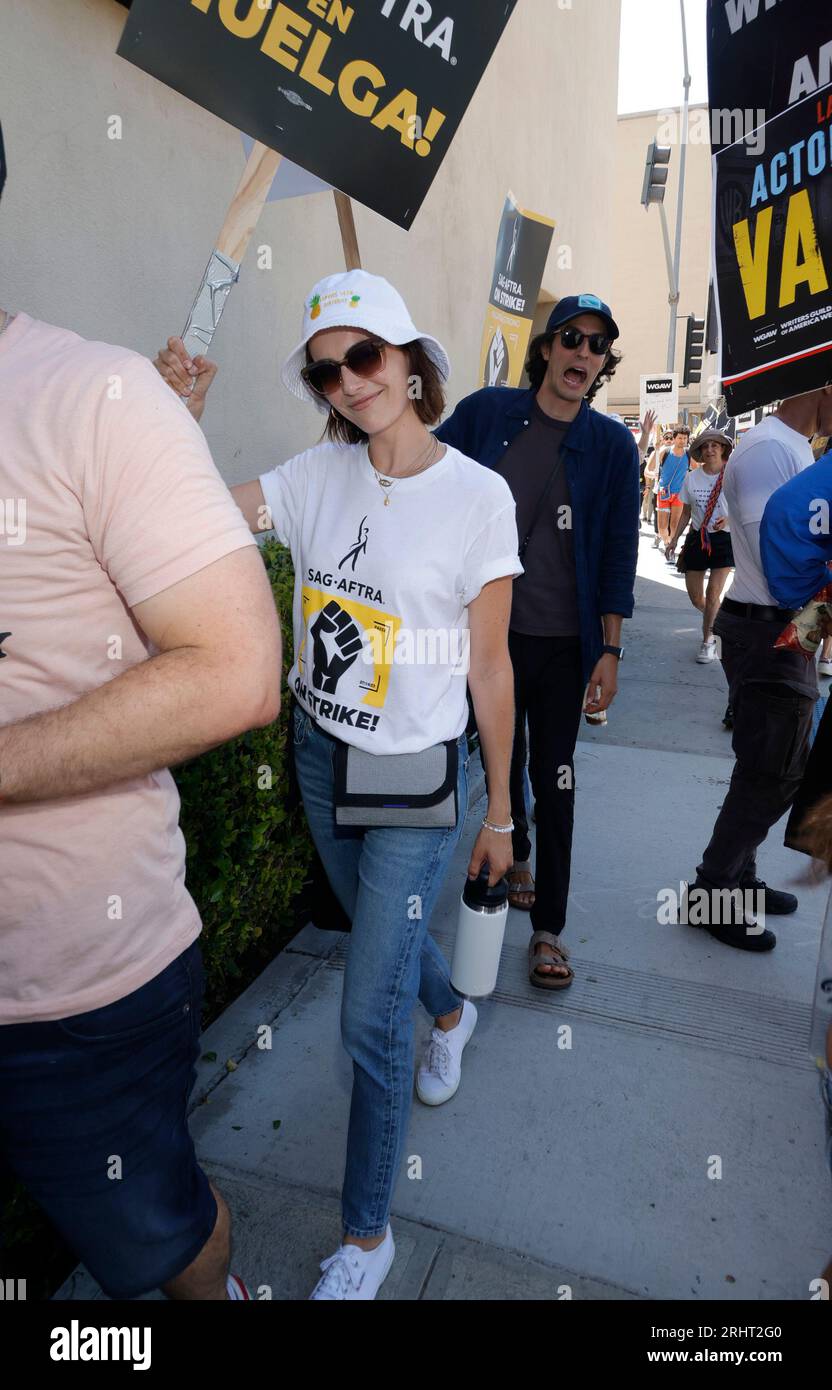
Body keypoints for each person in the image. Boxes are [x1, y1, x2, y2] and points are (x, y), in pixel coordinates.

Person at [155, 270, 520, 1300]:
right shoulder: (315, 478)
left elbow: (490, 670)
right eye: (327, 372)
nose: (348, 383)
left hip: (413, 780)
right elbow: (200, 518)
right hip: (321, 756)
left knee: (368, 1015)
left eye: (366, 357)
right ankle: (450, 1013)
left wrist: (499, 812)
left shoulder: (476, 496)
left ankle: (368, 1237)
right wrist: (176, 421)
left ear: (411, 362)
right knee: (382, 942)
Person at [0, 119, 281, 1301]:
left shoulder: (93, 397)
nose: (347, 382)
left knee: (157, 1246)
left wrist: (164, 431)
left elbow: (234, 668)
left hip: (77, 998)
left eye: (362, 362)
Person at [435, 294, 639, 987]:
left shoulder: (612, 447)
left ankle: (548, 927)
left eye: (598, 346)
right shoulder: (488, 414)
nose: (584, 353)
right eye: (573, 339)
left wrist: (610, 651)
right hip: (488, 636)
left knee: (556, 775)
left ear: (603, 363)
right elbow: (426, 475)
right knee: (501, 758)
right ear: (547, 348)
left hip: (562, 642)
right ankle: (511, 849)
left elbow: (617, 554)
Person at [684, 388, 832, 952]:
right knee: (773, 775)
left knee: (767, 766)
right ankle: (712, 888)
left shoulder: (786, 445)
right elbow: (783, 562)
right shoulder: (771, 449)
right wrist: (821, 619)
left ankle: (736, 874)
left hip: (778, 627)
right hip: (773, 627)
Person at [666, 429, 735, 663]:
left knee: (713, 593)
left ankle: (708, 641)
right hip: (698, 538)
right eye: (706, 446)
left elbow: (745, 504)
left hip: (724, 539)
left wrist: (730, 518)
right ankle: (717, 621)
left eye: (715, 445)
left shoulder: (732, 474)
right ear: (700, 452)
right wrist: (674, 538)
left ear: (723, 449)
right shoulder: (691, 477)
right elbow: (685, 511)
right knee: (697, 598)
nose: (710, 449)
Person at [656, 425, 691, 558]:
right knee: (662, 526)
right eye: (680, 438)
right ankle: (666, 542)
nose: (682, 440)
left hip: (679, 494)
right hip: (664, 492)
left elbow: (697, 469)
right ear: (675, 439)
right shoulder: (665, 452)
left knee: (675, 524)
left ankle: (671, 547)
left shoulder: (688, 454)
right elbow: (650, 469)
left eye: (685, 438)